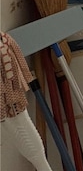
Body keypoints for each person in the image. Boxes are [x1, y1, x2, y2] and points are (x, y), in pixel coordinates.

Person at [1, 31, 52, 171]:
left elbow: (20, 61)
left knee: (25, 131)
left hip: (13, 96)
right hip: (4, 102)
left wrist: (27, 78)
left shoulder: (5, 40)